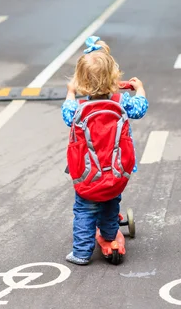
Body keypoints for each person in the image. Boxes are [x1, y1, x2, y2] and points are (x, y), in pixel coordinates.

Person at [61, 36, 148, 265]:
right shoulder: (121, 102)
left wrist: (70, 93)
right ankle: (110, 235)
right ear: (115, 79)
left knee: (84, 210)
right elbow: (140, 109)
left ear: (80, 81)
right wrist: (139, 89)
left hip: (87, 173)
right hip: (116, 171)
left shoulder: (78, 108)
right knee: (111, 202)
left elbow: (66, 115)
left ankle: (81, 252)